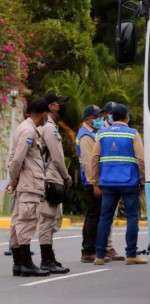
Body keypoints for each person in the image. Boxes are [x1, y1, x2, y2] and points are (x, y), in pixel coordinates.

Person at [91, 104, 147, 265]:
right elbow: (141, 159)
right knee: (131, 218)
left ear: (111, 117)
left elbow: (95, 158)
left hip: (108, 182)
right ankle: (131, 255)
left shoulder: (102, 134)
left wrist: (95, 180)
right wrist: (143, 180)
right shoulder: (132, 134)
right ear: (127, 116)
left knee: (105, 218)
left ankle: (100, 256)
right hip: (129, 182)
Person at [7, 98, 50, 277]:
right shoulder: (28, 131)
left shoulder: (24, 127)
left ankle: (18, 264)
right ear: (43, 114)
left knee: (18, 222)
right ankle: (26, 264)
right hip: (29, 183)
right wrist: (14, 178)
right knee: (26, 222)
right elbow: (17, 159)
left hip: (26, 182)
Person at [76, 104, 124, 263]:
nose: (99, 119)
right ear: (87, 119)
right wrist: (94, 183)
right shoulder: (85, 136)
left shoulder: (93, 133)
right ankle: (88, 250)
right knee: (94, 216)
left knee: (94, 215)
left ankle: (94, 249)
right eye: (95, 117)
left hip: (96, 180)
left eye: (99, 116)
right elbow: (88, 162)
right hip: (92, 181)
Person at [36, 92, 73, 274]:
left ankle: (50, 257)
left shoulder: (48, 126)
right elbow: (57, 157)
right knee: (47, 219)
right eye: (59, 103)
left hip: (49, 176)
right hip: (49, 177)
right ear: (51, 106)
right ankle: (46, 260)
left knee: (51, 219)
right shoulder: (49, 128)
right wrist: (66, 176)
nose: (61, 106)